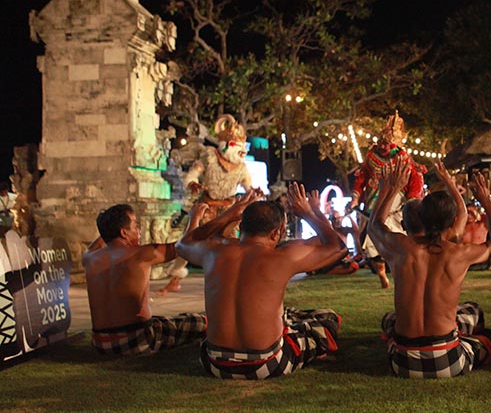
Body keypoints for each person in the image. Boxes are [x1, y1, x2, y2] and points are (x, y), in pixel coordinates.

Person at [176, 185, 347, 380]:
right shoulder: (282, 257)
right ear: (278, 233)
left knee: (289, 315)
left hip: (213, 362)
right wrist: (310, 212)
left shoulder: (215, 251)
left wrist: (230, 214)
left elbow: (183, 244)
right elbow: (339, 247)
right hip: (266, 363)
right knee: (326, 320)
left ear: (241, 227)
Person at [368, 161, 491, 379]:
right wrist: (486, 201)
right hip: (446, 359)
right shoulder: (458, 253)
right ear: (451, 224)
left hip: (402, 361)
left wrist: (390, 187)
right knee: (490, 337)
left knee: (392, 320)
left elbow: (375, 226)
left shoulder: (402, 249)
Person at [82, 204, 207, 355]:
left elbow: (101, 241)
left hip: (100, 342)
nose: (139, 229)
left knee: (165, 321)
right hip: (137, 339)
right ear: (123, 232)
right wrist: (195, 217)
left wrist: (110, 227)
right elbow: (184, 247)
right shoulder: (140, 254)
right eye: (135, 225)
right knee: (199, 322)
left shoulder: (89, 258)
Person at [158, 115, 254, 295]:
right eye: (235, 144)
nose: (240, 150)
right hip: (206, 207)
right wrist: (193, 183)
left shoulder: (242, 167)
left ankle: (234, 281)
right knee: (190, 240)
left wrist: (254, 192)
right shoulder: (209, 157)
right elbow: (192, 175)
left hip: (228, 209)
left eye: (241, 145)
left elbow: (249, 186)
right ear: (225, 144)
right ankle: (175, 279)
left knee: (232, 244)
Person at [349, 111, 426, 289]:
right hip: (375, 201)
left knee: (403, 238)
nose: (383, 145)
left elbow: (415, 179)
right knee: (372, 242)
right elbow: (361, 178)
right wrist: (355, 198)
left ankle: (406, 272)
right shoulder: (371, 156)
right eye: (382, 141)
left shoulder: (403, 157)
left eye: (387, 142)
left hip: (398, 204)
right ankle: (383, 276)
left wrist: (412, 200)